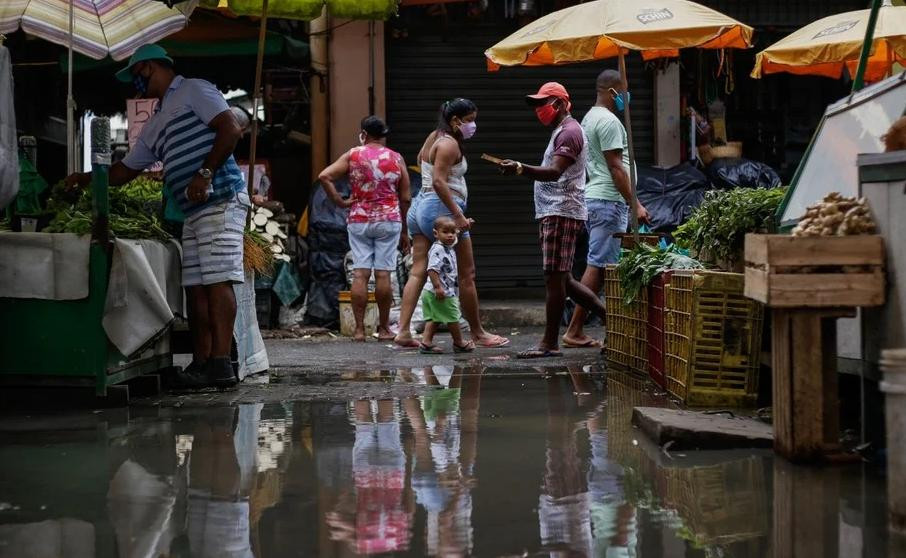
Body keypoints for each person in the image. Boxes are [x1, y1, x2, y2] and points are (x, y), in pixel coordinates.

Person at [65, 44, 247, 389]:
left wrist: (204, 173)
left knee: (217, 281)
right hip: (192, 211)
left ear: (150, 67)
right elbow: (124, 172)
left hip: (220, 198)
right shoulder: (157, 118)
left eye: (137, 75)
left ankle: (221, 364)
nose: (136, 83)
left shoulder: (194, 89)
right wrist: (86, 179)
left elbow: (231, 129)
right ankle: (203, 362)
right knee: (195, 289)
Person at [499, 82, 606, 359]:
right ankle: (613, 320)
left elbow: (555, 171)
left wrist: (521, 169)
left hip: (561, 212)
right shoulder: (562, 131)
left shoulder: (570, 132)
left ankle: (549, 343)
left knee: (554, 280)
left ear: (559, 103)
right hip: (555, 212)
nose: (539, 110)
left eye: (543, 104)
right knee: (565, 280)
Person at [394, 98, 509, 350]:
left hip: (420, 207)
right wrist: (457, 215)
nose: (473, 126)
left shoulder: (434, 137)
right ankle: (478, 333)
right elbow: (438, 181)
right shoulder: (449, 145)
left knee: (418, 270)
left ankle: (403, 332)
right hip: (440, 208)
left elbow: (422, 162)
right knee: (468, 274)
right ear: (456, 121)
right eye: (470, 121)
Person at [563, 70, 651, 349]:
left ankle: (580, 328)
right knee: (600, 266)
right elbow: (616, 168)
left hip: (600, 200)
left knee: (600, 266)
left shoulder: (590, 117)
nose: (628, 96)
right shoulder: (609, 121)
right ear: (613, 91)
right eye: (624, 90)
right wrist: (633, 202)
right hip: (608, 201)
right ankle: (577, 329)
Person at [319, 116, 411, 342]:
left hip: (359, 220)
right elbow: (406, 197)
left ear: (364, 133)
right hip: (389, 220)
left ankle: (359, 330)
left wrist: (340, 202)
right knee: (383, 274)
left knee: (360, 273)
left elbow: (325, 176)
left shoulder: (353, 154)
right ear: (383, 135)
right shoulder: (396, 158)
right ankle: (384, 329)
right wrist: (405, 231)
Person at [418, 216, 472, 354]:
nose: (450, 235)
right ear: (436, 233)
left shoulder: (447, 245)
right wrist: (438, 287)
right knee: (453, 317)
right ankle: (459, 343)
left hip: (431, 291)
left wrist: (463, 227)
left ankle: (426, 343)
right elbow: (432, 269)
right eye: (445, 232)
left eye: (452, 232)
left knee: (435, 318)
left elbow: (455, 236)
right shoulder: (438, 249)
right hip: (442, 292)